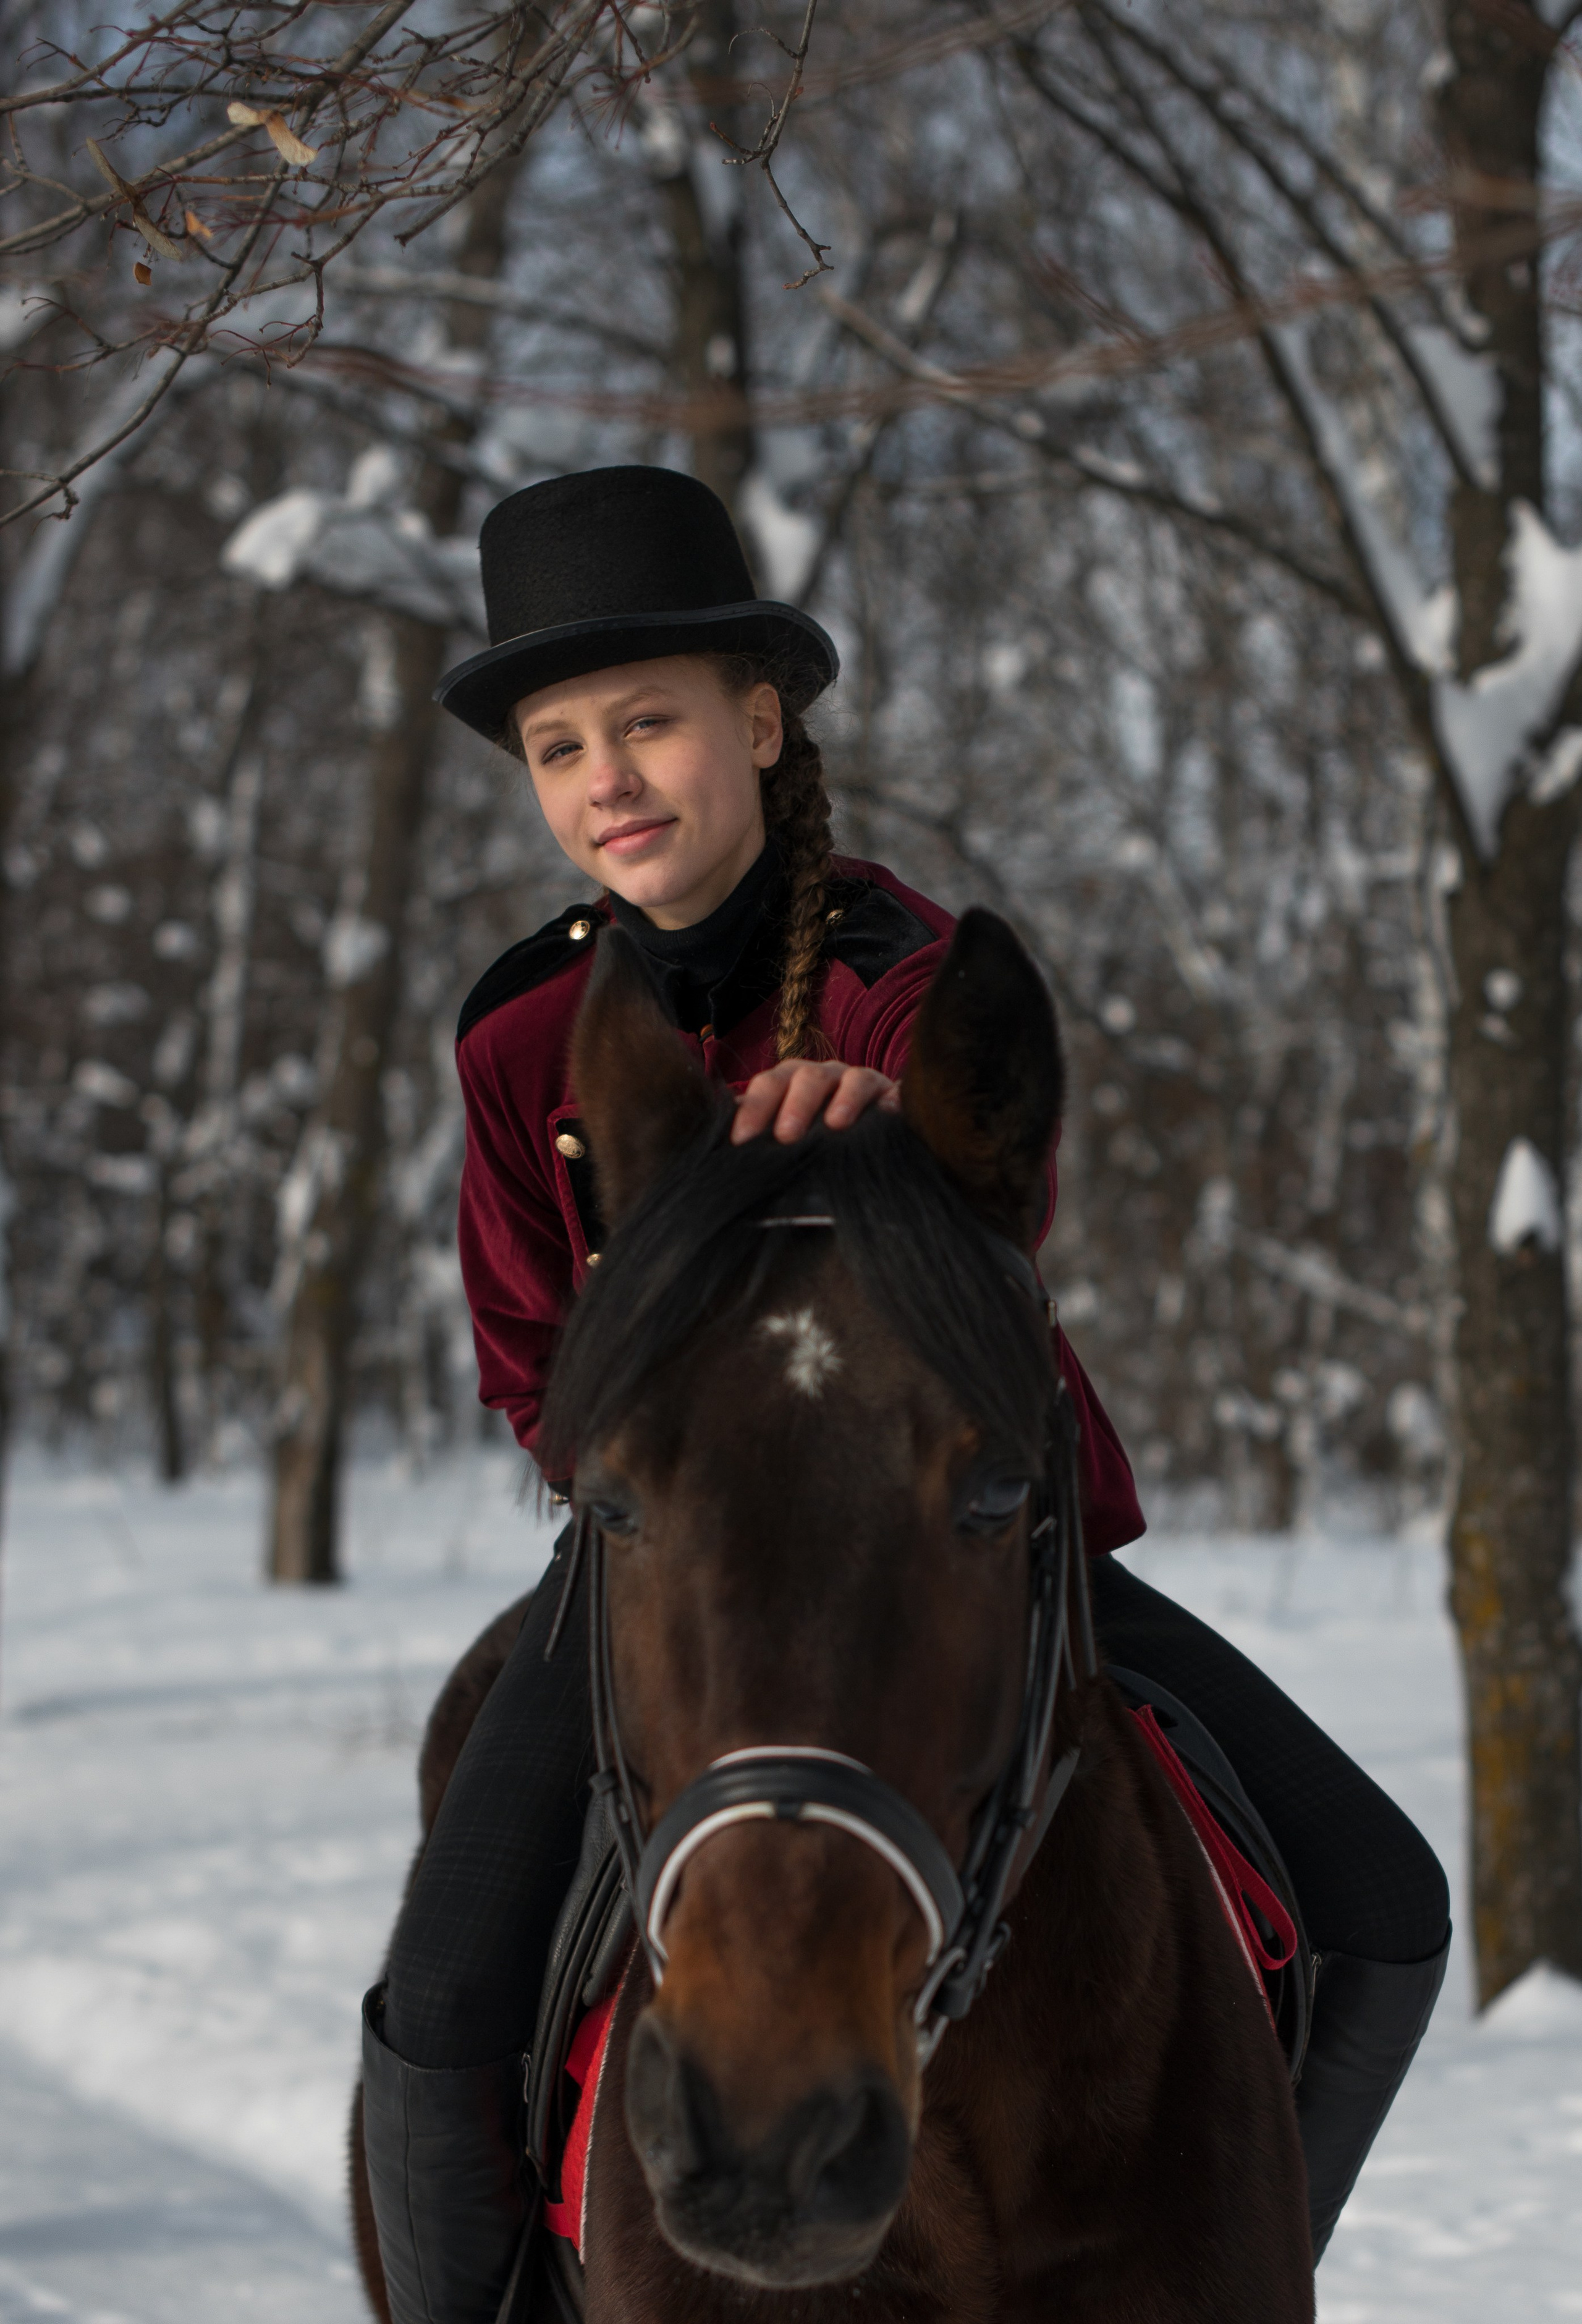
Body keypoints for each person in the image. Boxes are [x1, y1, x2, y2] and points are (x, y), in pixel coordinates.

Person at [360, 466, 1449, 2323]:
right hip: (675, 1551)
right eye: (558, 747)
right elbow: (529, 1360)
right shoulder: (521, 1034)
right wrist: (664, 1349)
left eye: (651, 723)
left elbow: (985, 1195)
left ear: (762, 726)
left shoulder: (899, 978)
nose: (606, 778)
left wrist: (883, 1146)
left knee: (1383, 1897)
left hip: (972, 1553)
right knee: (448, 1996)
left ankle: (1251, 2244)